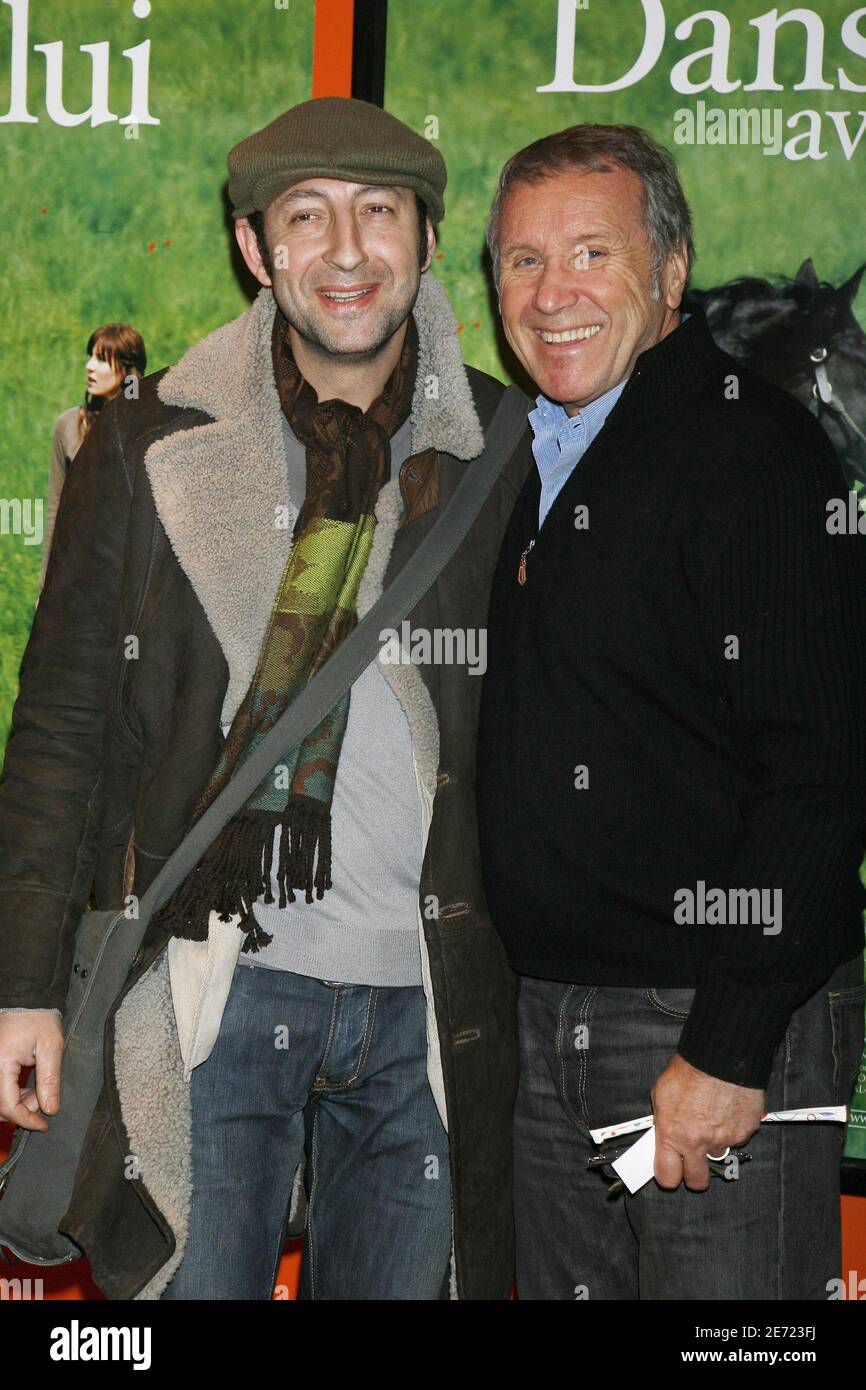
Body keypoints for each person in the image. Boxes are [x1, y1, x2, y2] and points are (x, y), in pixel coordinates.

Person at [0, 97, 532, 1300]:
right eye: (307, 217)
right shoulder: (142, 447)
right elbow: (60, 730)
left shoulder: (502, 444)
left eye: (378, 213)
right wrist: (24, 984)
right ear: (254, 247)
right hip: (213, 990)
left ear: (430, 240)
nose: (345, 253)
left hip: (425, 1006)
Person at [475, 122, 866, 1300]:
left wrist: (730, 1038)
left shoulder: (751, 450)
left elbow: (823, 765)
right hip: (546, 1016)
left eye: (590, 253)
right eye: (520, 262)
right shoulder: (523, 456)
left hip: (706, 1019)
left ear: (672, 270)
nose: (552, 296)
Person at [39, 324, 147, 591]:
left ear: (126, 370)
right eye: (90, 356)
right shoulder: (67, 425)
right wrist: (46, 586)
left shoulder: (146, 428)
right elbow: (56, 511)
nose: (89, 366)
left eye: (100, 359)